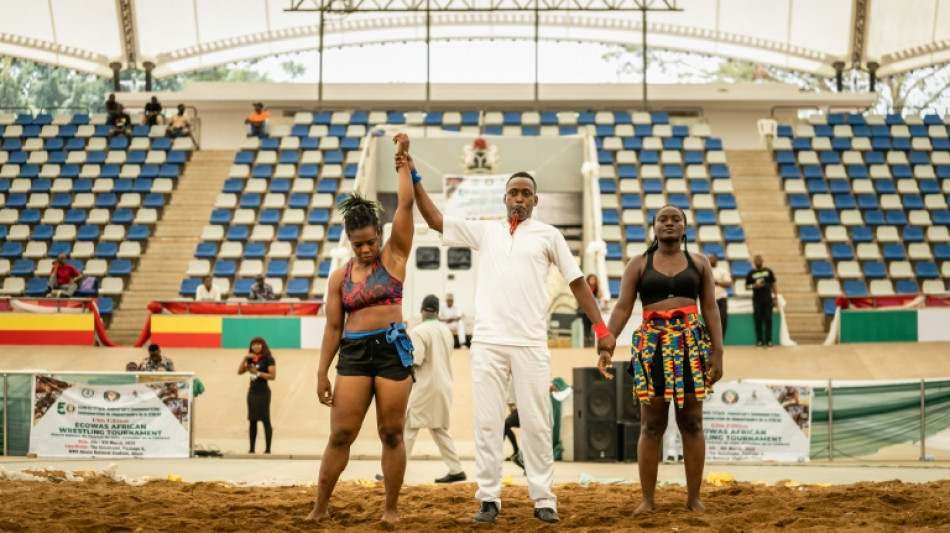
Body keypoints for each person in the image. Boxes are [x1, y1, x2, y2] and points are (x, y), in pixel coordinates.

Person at [405, 151, 616, 524]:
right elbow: (436, 220)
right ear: (504, 199)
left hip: (531, 343)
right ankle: (488, 498)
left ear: (535, 200)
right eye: (513, 192)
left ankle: (543, 499)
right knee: (486, 422)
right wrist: (414, 173)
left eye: (526, 193)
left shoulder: (549, 236)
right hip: (487, 342)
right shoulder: (486, 231)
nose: (519, 198)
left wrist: (601, 329)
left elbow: (579, 283)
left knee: (536, 422)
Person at [306, 132, 416, 525]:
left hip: (391, 351)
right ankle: (320, 506)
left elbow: (406, 203)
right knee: (340, 435)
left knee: (391, 433)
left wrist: (404, 161)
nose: (365, 250)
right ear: (350, 242)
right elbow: (333, 328)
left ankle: (390, 509)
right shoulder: (340, 278)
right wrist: (322, 372)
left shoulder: (395, 257)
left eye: (369, 242)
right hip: (353, 354)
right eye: (357, 245)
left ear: (379, 235)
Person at [606, 204, 724, 514]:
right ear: (654, 227)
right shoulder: (638, 264)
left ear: (685, 228)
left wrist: (718, 352)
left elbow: (710, 308)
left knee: (692, 423)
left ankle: (694, 498)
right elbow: (621, 308)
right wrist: (607, 342)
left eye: (676, 219)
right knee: (652, 425)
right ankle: (647, 500)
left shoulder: (699, 264)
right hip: (653, 347)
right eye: (663, 219)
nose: (669, 223)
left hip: (691, 346)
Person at [405, 294, 466, 483]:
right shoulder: (446, 331)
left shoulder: (419, 331)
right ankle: (456, 469)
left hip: (425, 386)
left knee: (408, 426)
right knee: (438, 427)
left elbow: (416, 360)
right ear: (438, 312)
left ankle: (393, 469)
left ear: (422, 310)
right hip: (444, 385)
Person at [237, 336, 276, 454]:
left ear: (263, 345)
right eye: (254, 344)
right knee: (252, 420)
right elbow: (239, 372)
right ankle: (251, 448)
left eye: (259, 344)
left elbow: (272, 376)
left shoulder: (268, 358)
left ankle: (268, 449)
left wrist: (257, 373)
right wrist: (245, 358)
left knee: (265, 420)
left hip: (263, 392)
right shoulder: (250, 359)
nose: (256, 346)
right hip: (252, 392)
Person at [745, 254, 778, 348]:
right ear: (754, 262)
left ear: (762, 261)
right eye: (756, 260)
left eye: (760, 259)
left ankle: (769, 341)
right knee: (758, 320)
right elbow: (746, 286)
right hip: (757, 300)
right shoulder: (751, 273)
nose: (758, 261)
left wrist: (775, 297)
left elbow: (774, 284)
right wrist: (754, 286)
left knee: (768, 320)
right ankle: (759, 341)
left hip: (768, 299)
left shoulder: (768, 271)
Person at [579, 274, 607, 347]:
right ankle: (588, 336)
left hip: (594, 310)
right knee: (587, 318)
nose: (592, 281)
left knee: (594, 318)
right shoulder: (586, 288)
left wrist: (599, 285)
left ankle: (593, 336)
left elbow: (600, 296)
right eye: (591, 279)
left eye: (594, 280)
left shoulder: (597, 289)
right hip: (585, 311)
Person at [709, 254, 732, 340]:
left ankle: (721, 340)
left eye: (712, 258)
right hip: (709, 299)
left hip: (721, 298)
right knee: (710, 320)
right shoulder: (706, 271)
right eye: (709, 258)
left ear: (716, 260)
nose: (710, 260)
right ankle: (711, 340)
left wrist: (716, 282)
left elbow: (728, 284)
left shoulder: (722, 271)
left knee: (722, 320)